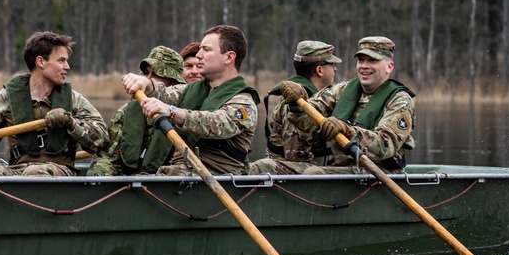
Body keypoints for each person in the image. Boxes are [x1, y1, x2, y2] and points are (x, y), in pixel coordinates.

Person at [0, 31, 108, 177]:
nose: (67, 66)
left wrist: (72, 123)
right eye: (61, 60)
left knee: (35, 172)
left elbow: (101, 141)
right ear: (41, 61)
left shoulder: (73, 99)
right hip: (17, 171)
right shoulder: (7, 97)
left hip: (59, 173)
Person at [122, 25, 259, 176]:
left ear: (229, 57)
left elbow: (217, 123)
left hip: (214, 177)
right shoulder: (191, 90)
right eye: (200, 49)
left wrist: (172, 111)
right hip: (181, 173)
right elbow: (164, 93)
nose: (199, 55)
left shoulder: (244, 103)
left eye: (206, 50)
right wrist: (146, 84)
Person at [281, 36, 415, 174]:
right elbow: (305, 123)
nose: (364, 66)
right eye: (361, 60)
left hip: (377, 171)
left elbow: (385, 146)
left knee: (313, 174)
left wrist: (348, 131)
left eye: (372, 60)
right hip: (341, 168)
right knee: (263, 166)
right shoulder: (341, 90)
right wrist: (296, 107)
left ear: (389, 67)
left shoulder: (400, 101)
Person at [86, 45, 185, 176]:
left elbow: (182, 168)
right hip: (131, 184)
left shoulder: (184, 116)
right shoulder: (126, 112)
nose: (148, 79)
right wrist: (99, 179)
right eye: (146, 73)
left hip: (164, 187)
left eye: (156, 74)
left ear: (173, 82)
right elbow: (108, 158)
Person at [249, 40, 340, 175]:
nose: (335, 69)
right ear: (319, 70)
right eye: (332, 64)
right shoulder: (300, 102)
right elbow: (296, 157)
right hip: (289, 177)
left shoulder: (312, 97)